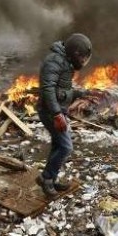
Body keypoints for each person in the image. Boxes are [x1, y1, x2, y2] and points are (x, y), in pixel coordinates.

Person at [35, 33, 92, 197]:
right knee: (66, 147)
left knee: (58, 146)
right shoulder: (54, 61)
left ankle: (49, 179)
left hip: (56, 110)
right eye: (82, 58)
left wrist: (81, 93)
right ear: (75, 53)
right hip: (50, 112)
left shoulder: (64, 62)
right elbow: (48, 89)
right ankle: (46, 179)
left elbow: (63, 89)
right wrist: (57, 114)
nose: (83, 62)